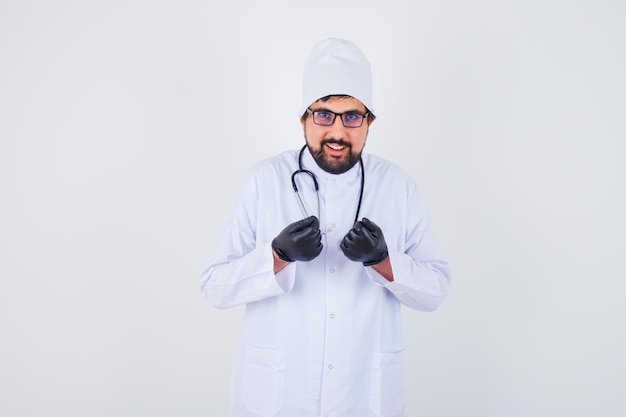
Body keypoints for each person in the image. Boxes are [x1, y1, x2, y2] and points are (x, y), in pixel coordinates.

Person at [199, 38, 451, 417]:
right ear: (304, 118)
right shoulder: (262, 181)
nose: (337, 131)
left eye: (352, 116)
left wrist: (384, 260)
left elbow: (435, 291)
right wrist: (277, 256)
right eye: (324, 115)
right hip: (280, 396)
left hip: (363, 395)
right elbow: (214, 287)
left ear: (369, 122)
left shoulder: (398, 186)